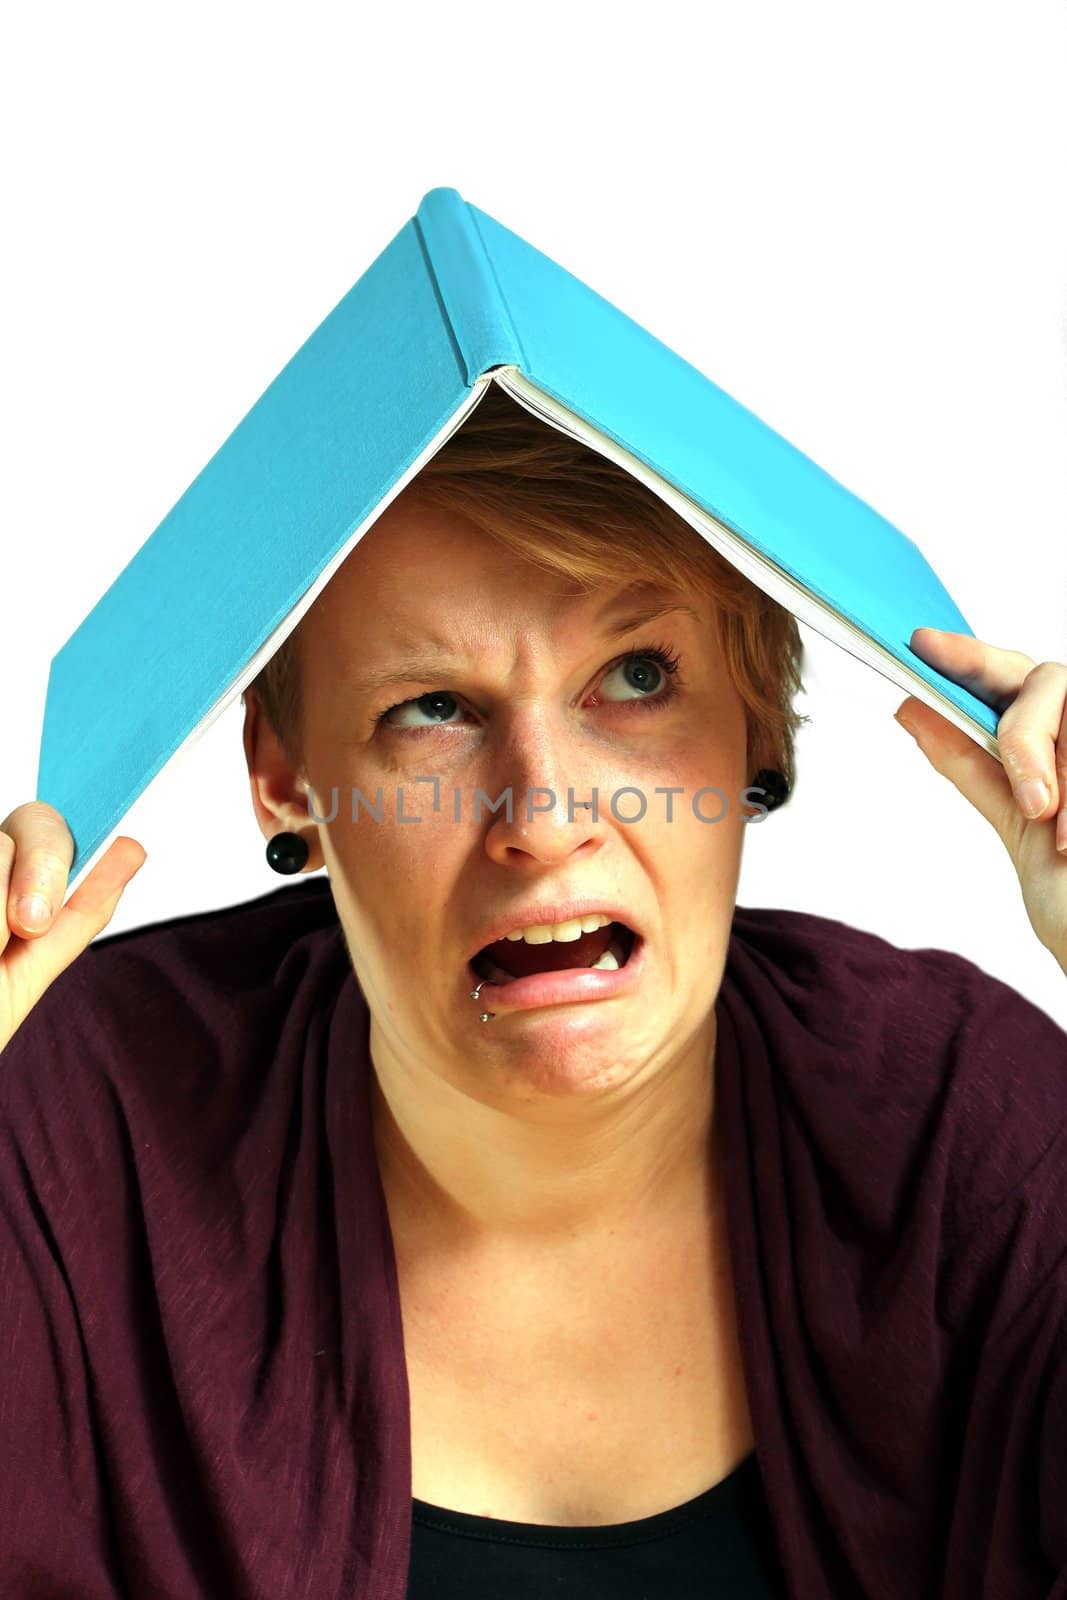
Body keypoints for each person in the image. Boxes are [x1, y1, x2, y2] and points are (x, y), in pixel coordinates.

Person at [1, 384, 1066, 1599]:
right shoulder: (69, 1127)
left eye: (634, 677)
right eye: (432, 709)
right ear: (285, 776)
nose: (545, 819)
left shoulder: (965, 1121)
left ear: (754, 723)